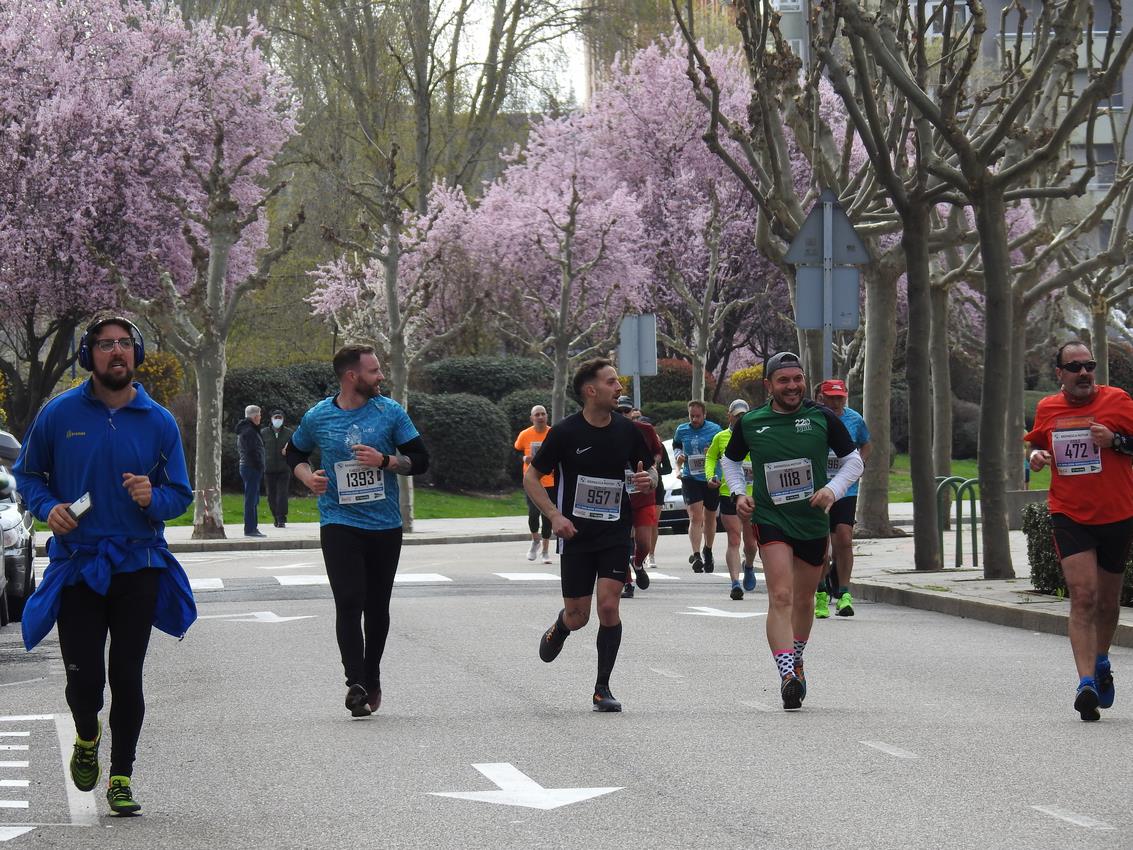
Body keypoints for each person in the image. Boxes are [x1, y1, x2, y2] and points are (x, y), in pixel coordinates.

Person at [13, 315, 195, 815]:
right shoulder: (59, 413)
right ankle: (87, 735)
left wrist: (151, 497)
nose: (115, 352)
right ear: (87, 355)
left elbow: (180, 493)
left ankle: (122, 777)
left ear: (135, 352)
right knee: (85, 679)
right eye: (104, 344)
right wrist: (47, 507)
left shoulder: (158, 420)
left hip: (138, 564)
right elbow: (27, 474)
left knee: (127, 675)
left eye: (123, 344)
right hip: (79, 564)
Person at [285, 345, 430, 718]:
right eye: (374, 371)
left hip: (384, 525)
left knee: (376, 606)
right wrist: (307, 477)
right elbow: (292, 452)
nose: (380, 376)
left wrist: (386, 461)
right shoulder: (319, 416)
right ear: (352, 376)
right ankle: (355, 683)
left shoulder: (390, 412)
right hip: (339, 522)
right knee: (349, 601)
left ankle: (372, 674)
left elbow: (422, 460)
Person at [720, 352, 862, 710]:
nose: (792, 386)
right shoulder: (751, 422)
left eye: (797, 379)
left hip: (813, 520)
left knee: (803, 599)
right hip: (772, 518)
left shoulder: (821, 416)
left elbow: (853, 460)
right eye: (783, 380)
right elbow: (731, 461)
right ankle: (786, 674)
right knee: (780, 596)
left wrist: (833, 489)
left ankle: (797, 656)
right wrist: (739, 494)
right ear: (769, 385)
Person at [526, 359, 656, 712]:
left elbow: (649, 474)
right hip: (576, 535)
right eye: (612, 381)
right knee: (579, 616)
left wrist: (648, 481)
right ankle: (560, 627)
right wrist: (554, 515)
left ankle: (602, 688)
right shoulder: (565, 433)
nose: (619, 388)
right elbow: (531, 478)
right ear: (590, 390)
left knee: (609, 606)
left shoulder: (629, 432)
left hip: (615, 532)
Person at [1025, 341, 1133, 721]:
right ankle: (1085, 682)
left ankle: (1101, 661)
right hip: (1070, 514)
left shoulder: (1118, 401)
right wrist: (1035, 456)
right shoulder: (1048, 408)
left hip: (1118, 514)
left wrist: (1116, 441)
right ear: (1060, 374)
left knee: (1107, 601)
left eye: (1089, 365)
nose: (1084, 372)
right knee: (1083, 596)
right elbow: (1037, 446)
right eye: (1075, 368)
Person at [813, 379, 872, 618]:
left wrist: (860, 464)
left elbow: (866, 444)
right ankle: (821, 591)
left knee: (844, 538)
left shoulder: (855, 419)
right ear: (822, 398)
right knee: (820, 545)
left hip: (845, 488)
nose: (836, 402)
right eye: (831, 397)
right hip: (819, 488)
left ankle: (845, 593)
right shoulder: (813, 418)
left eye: (840, 397)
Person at [706, 399, 758, 600]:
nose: (740, 419)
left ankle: (749, 565)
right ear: (730, 416)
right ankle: (735, 582)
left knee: (751, 543)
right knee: (734, 538)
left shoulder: (756, 433)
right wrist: (710, 476)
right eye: (737, 416)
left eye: (744, 415)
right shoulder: (721, 437)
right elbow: (711, 458)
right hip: (730, 494)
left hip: (753, 494)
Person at [616, 396, 662, 598]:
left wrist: (650, 474)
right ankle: (627, 583)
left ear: (633, 413)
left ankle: (638, 563)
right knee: (622, 543)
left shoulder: (645, 430)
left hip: (642, 494)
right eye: (619, 412)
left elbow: (657, 455)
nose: (624, 416)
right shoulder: (607, 432)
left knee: (643, 542)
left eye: (626, 411)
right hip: (618, 495)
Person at [673, 400, 723, 572]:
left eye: (698, 416)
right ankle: (696, 556)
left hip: (710, 477)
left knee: (710, 517)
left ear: (705, 415)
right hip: (690, 477)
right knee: (695, 517)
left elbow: (724, 450)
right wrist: (679, 455)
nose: (694, 419)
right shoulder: (682, 429)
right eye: (691, 416)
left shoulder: (715, 429)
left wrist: (712, 452)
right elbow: (676, 445)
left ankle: (707, 550)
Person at [515, 405, 554, 564]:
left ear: (546, 416)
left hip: (550, 481)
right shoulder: (525, 434)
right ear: (532, 418)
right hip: (532, 481)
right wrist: (524, 459)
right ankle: (535, 540)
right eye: (537, 414)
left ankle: (545, 551)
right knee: (533, 514)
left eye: (543, 414)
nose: (540, 417)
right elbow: (517, 451)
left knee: (548, 517)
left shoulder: (553, 433)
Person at [236, 405, 266, 537]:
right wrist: (260, 465)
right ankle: (250, 528)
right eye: (259, 415)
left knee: (253, 498)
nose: (260, 417)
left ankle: (253, 526)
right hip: (251, 467)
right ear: (254, 416)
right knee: (251, 499)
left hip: (249, 466)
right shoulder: (249, 431)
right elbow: (252, 451)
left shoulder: (248, 429)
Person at [262, 409, 293, 528]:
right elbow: (259, 448)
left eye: (280, 418)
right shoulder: (264, 433)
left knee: (282, 494)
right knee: (271, 495)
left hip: (284, 468)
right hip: (268, 468)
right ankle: (275, 515)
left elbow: (295, 447)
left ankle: (281, 518)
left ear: (283, 419)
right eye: (276, 417)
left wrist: (288, 450)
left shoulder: (289, 433)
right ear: (271, 419)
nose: (278, 420)